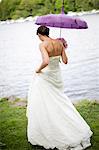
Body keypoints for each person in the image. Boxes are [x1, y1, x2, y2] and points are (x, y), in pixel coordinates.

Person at [26, 26, 93, 150]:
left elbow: (46, 61)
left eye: (38, 37)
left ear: (40, 34)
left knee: (46, 101)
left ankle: (51, 127)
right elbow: (65, 61)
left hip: (47, 75)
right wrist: (60, 51)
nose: (39, 39)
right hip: (57, 76)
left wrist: (38, 69)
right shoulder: (59, 42)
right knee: (60, 101)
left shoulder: (43, 45)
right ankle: (70, 125)